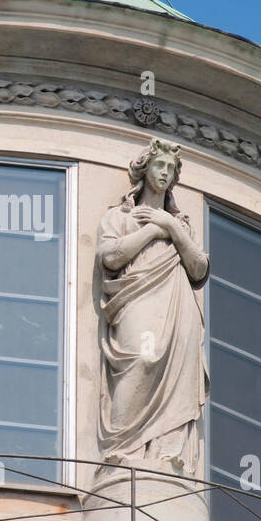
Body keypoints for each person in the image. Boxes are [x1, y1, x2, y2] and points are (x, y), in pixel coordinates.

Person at [96, 138, 210, 476]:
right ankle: (120, 448)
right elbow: (112, 256)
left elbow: (199, 268)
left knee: (180, 370)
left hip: (178, 303)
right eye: (159, 166)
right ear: (145, 170)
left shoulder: (182, 225)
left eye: (170, 169)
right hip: (137, 296)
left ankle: (167, 455)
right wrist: (153, 231)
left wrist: (172, 226)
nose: (164, 172)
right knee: (143, 358)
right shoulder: (120, 217)